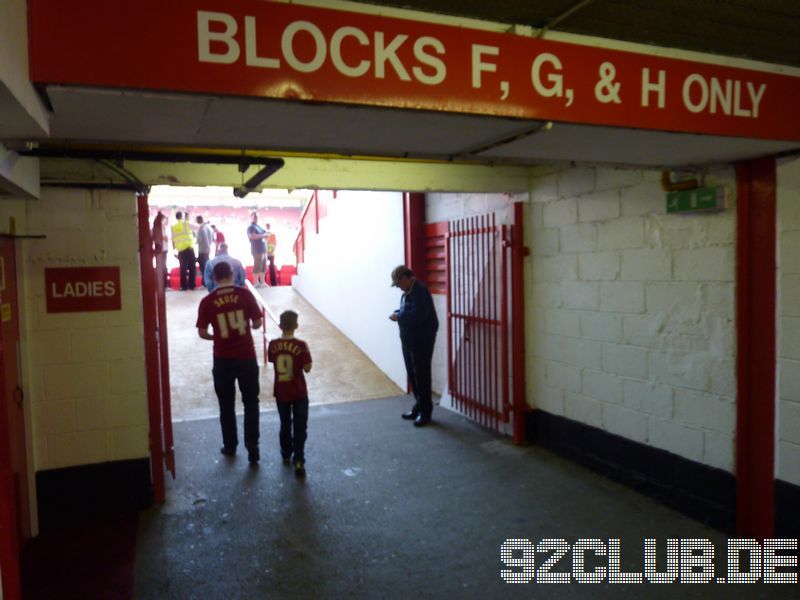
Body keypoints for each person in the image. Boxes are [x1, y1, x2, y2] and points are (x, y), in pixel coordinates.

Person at [196, 261, 263, 464]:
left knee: (226, 405)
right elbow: (258, 323)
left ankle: (230, 445)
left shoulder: (207, 301)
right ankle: (252, 446)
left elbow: (202, 332)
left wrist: (217, 338)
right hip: (246, 356)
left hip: (223, 359)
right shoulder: (244, 295)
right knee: (251, 402)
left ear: (214, 278)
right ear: (232, 274)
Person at [389, 265, 439, 427]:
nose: (398, 287)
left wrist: (399, 316)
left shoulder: (420, 291)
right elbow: (409, 311)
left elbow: (419, 314)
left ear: (406, 277)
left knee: (422, 375)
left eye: (398, 283)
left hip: (421, 341)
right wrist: (400, 313)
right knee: (413, 374)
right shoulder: (407, 292)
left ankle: (426, 412)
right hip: (409, 340)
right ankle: (419, 406)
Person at [267, 310, 313, 478]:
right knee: (300, 427)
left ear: (280, 325)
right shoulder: (301, 345)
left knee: (285, 423)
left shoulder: (272, 344)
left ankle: (286, 452)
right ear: (297, 326)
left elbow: (272, 359)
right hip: (299, 392)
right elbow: (307, 368)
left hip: (281, 391)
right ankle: (299, 460)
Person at [171, 210, 196, 290]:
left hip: (181, 250)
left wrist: (174, 250)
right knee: (192, 267)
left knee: (183, 268)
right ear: (182, 216)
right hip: (189, 248)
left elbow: (173, 239)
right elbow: (198, 227)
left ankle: (183, 286)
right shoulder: (186, 224)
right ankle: (192, 285)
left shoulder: (173, 227)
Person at [247, 211, 268, 288]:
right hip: (257, 249)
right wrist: (263, 235)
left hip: (263, 249)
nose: (256, 218)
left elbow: (265, 235)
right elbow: (252, 236)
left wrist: (265, 235)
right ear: (251, 217)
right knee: (257, 266)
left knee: (263, 266)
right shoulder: (251, 227)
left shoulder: (259, 226)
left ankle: (262, 282)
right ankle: (256, 282)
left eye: (257, 216)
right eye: (254, 216)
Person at [195, 215, 214, 287]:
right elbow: (212, 238)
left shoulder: (201, 228)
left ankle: (205, 283)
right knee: (207, 266)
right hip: (208, 249)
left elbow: (199, 240)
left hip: (202, 249)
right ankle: (208, 282)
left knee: (203, 268)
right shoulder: (209, 227)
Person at [265, 222, 278, 287]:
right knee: (266, 268)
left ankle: (272, 283)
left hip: (270, 253)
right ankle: (272, 283)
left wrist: (271, 250)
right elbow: (275, 243)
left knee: (269, 268)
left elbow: (275, 243)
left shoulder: (272, 235)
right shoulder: (265, 235)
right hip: (267, 253)